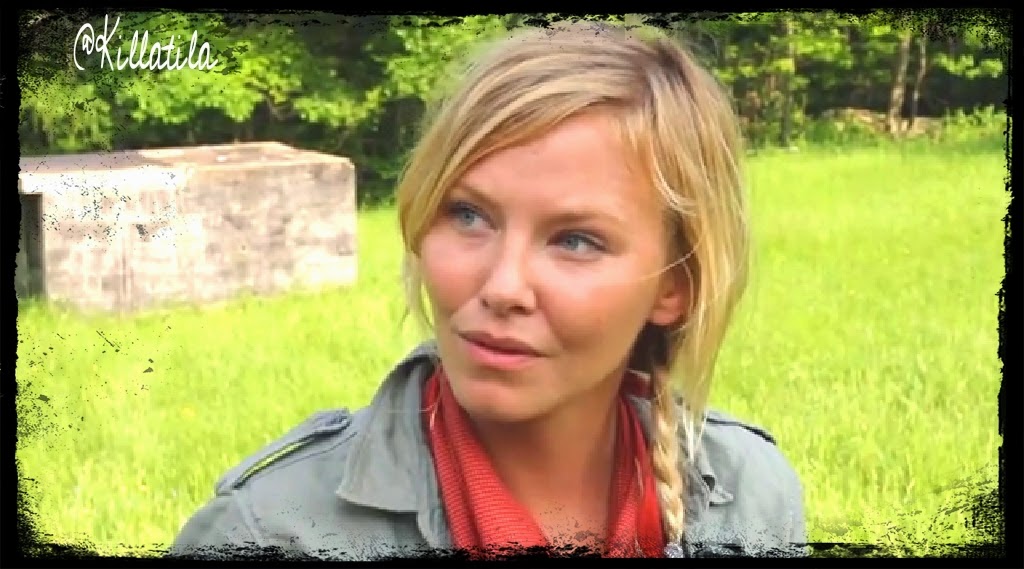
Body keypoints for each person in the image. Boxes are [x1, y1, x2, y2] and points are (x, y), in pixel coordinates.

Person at [169, 20, 807, 560]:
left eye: (575, 240)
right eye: (468, 215)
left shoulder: (750, 503)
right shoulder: (271, 533)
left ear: (675, 285)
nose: (502, 287)